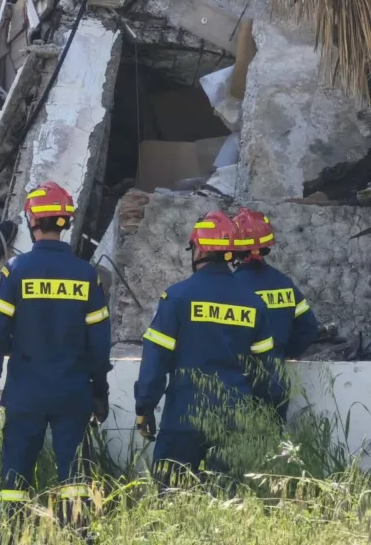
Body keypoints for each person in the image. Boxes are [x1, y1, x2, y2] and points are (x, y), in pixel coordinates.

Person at [0, 182, 111, 522]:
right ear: (65, 222)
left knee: (14, 483)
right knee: (76, 481)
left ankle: (9, 535)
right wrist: (99, 391)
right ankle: (77, 536)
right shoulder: (85, 275)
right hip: (73, 391)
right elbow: (99, 341)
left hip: (26, 391)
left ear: (31, 219)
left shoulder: (16, 271)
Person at [134, 211, 276, 484]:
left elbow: (155, 360)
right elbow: (267, 372)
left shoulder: (176, 298)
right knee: (225, 504)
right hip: (235, 420)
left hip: (182, 419)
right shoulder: (253, 303)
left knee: (171, 500)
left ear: (198, 249)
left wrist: (144, 407)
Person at [232, 207, 319, 421]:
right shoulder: (283, 283)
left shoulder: (231, 288)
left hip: (240, 379)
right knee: (273, 445)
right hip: (276, 378)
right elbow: (309, 328)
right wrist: (282, 354)